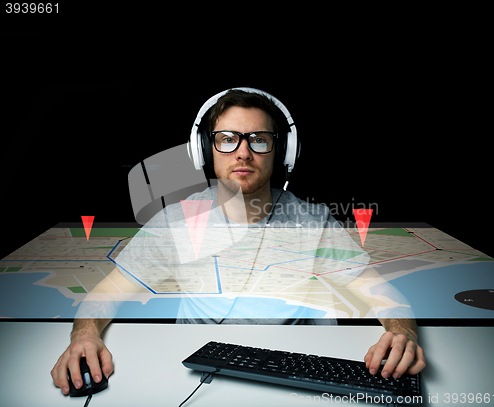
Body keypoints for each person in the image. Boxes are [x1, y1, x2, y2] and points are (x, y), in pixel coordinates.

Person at [51, 88, 426, 395]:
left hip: (283, 375)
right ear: (205, 150)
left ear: (281, 153)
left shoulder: (313, 222)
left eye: (258, 140)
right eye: (227, 139)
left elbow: (378, 292)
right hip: (187, 371)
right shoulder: (176, 221)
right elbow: (108, 291)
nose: (243, 152)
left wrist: (400, 332)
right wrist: (84, 337)